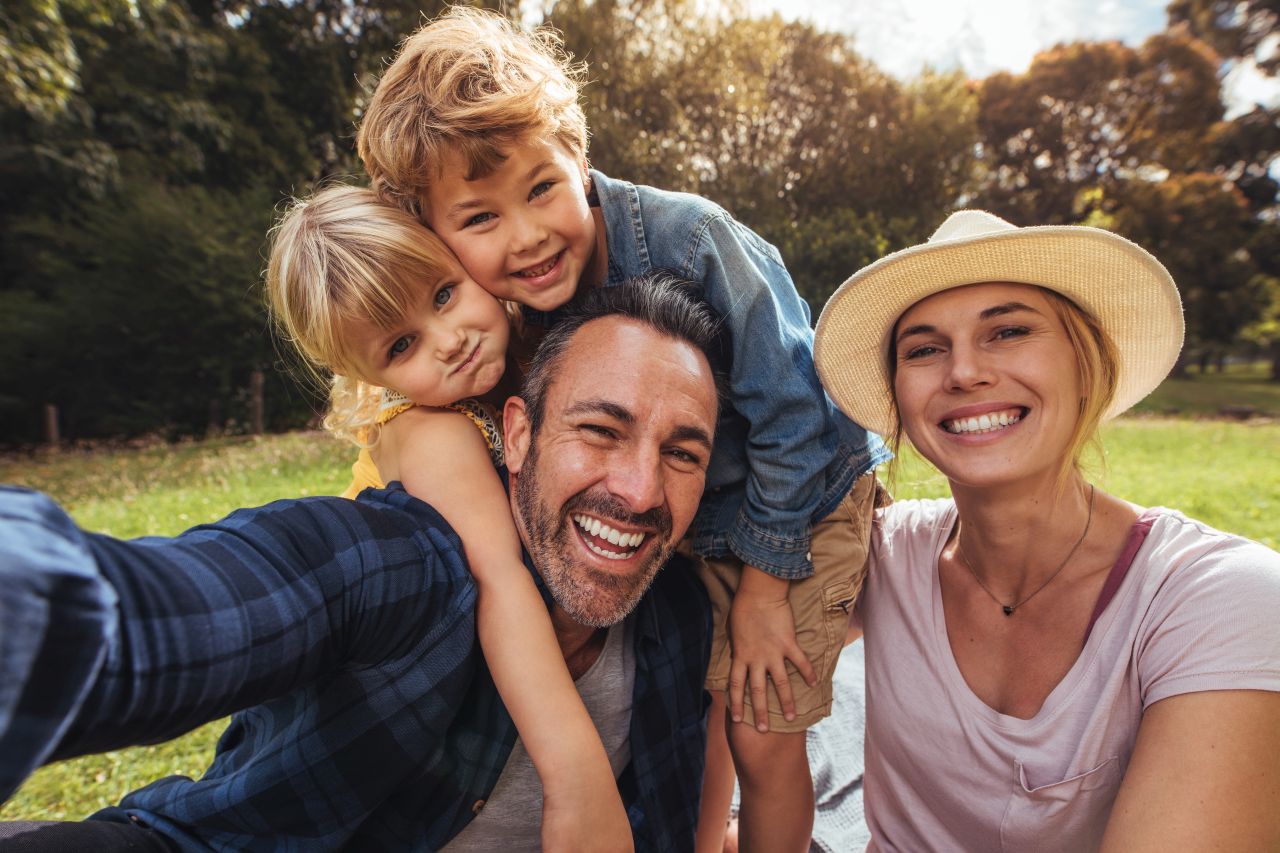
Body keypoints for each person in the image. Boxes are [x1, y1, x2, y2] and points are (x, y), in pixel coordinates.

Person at [355, 10, 890, 850]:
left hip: (803, 503)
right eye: (479, 219)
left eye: (540, 188)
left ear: (579, 154)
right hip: (684, 510)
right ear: (438, 234)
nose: (526, 235)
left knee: (760, 717)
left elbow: (799, 411)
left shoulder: (694, 239)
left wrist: (763, 588)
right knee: (698, 701)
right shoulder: (501, 311)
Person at [0, 276, 721, 852]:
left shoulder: (683, 621)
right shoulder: (404, 564)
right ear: (519, 432)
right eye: (600, 430)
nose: (639, 490)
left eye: (682, 453)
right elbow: (180, 611)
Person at [812, 209, 1280, 850]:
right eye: (923, 349)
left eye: (1007, 332)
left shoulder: (1221, 598)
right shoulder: (882, 554)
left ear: (1087, 367)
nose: (963, 372)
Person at [265, 184, 630, 849]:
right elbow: (500, 583)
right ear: (361, 372)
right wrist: (580, 781)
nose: (449, 339)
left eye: (443, 294)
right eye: (401, 346)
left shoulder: (518, 361)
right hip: (390, 701)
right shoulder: (432, 430)